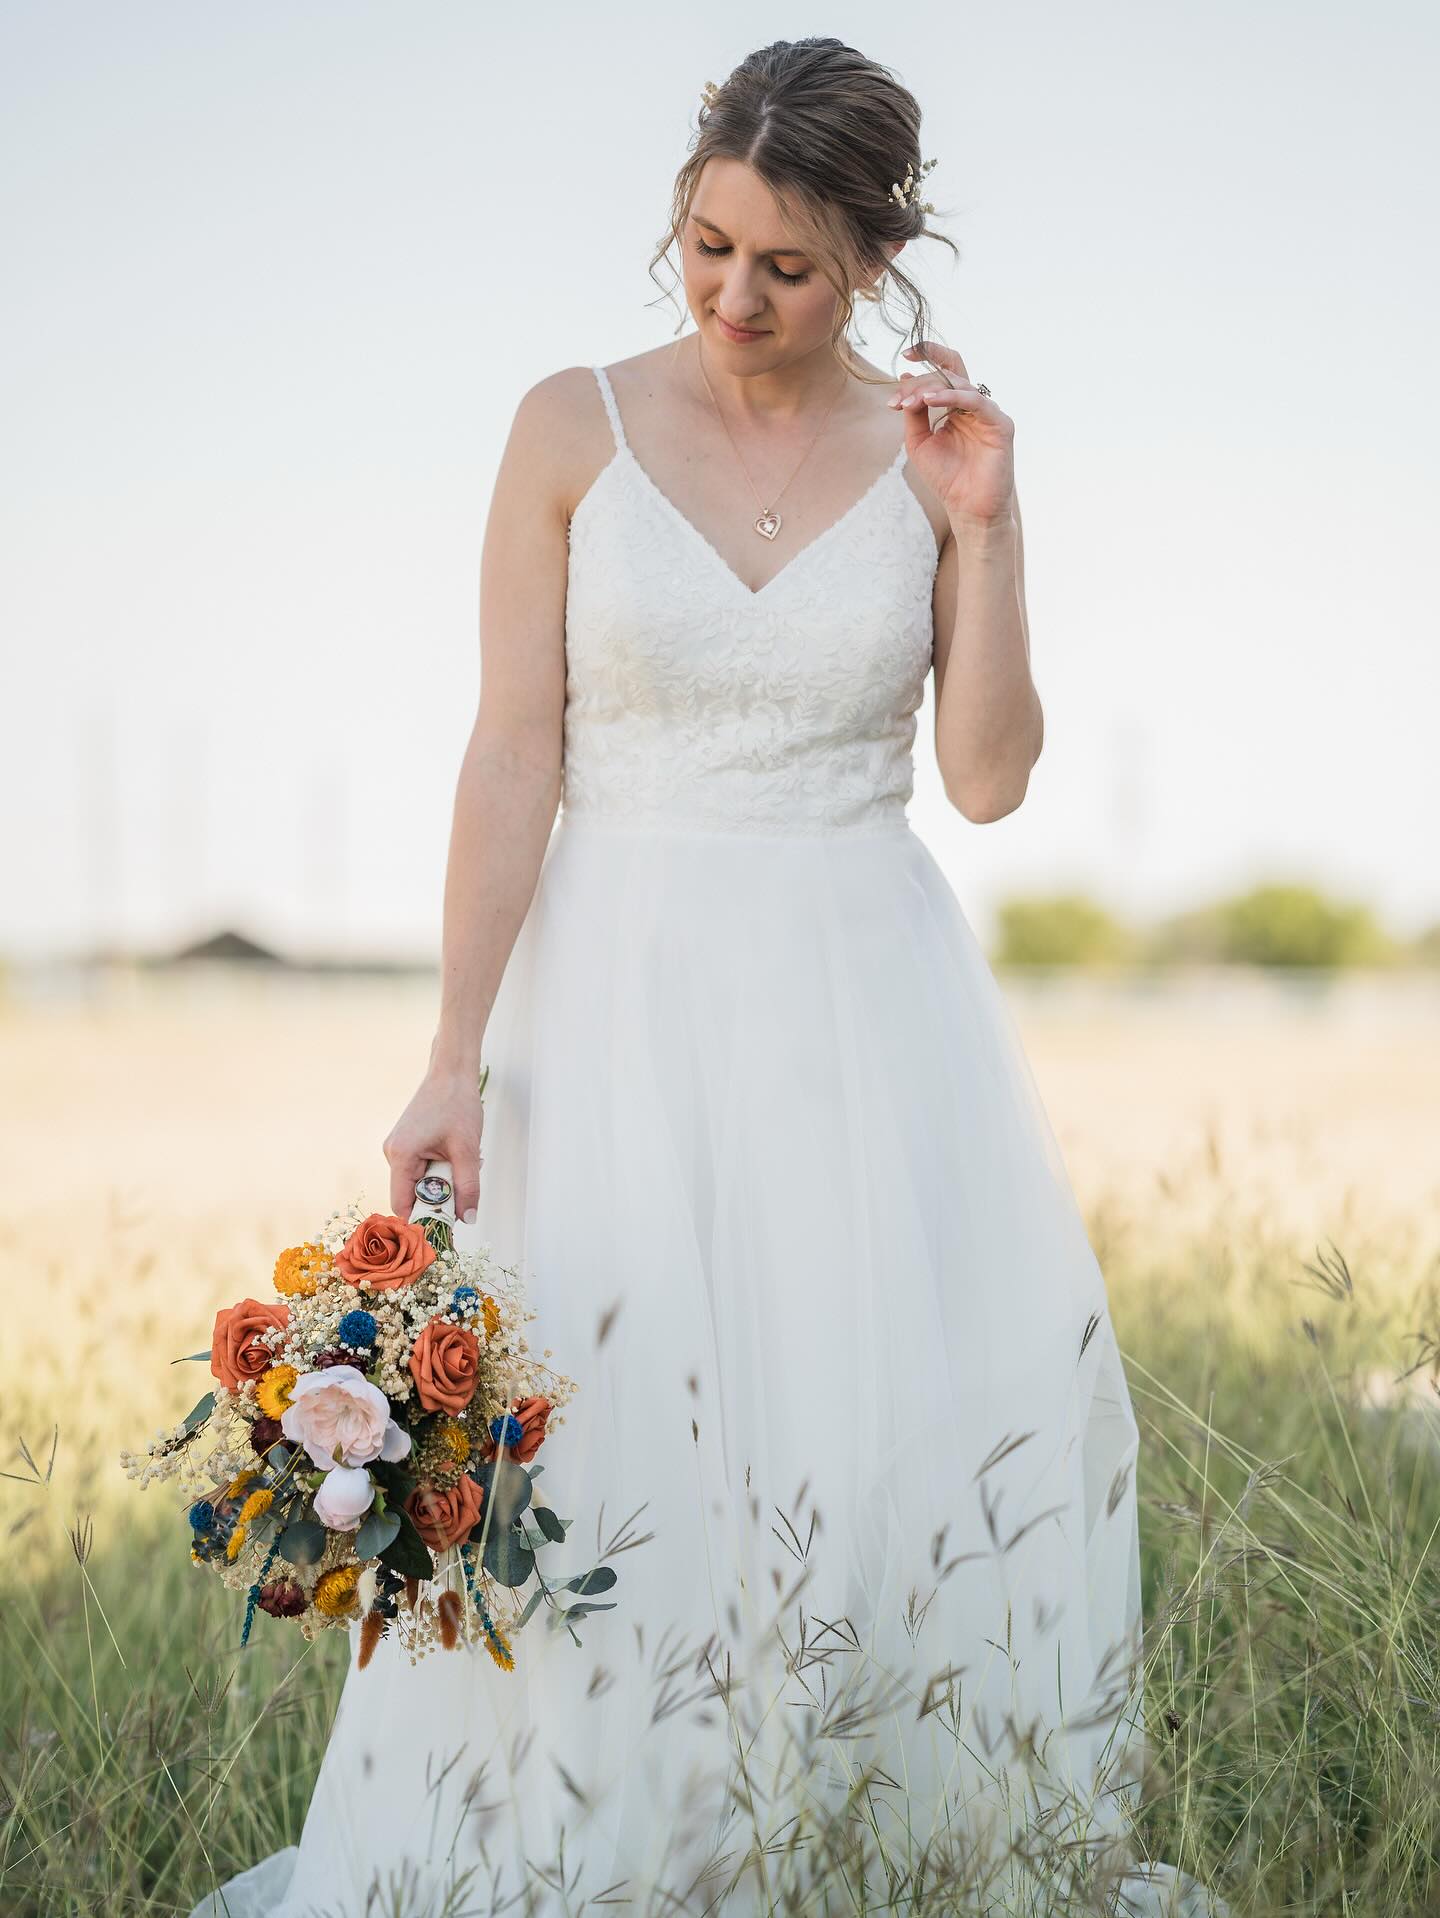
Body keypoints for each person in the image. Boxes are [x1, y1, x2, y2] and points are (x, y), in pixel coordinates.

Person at [191, 36, 1230, 1918]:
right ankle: (593, 1849)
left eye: (788, 269)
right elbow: (516, 749)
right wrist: (449, 1052)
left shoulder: (932, 462)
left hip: (860, 1005)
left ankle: (844, 1844)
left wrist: (988, 527)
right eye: (706, 245)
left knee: (865, 1434)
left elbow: (988, 778)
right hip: (612, 1006)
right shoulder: (567, 426)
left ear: (874, 263)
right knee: (601, 1443)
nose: (734, 299)